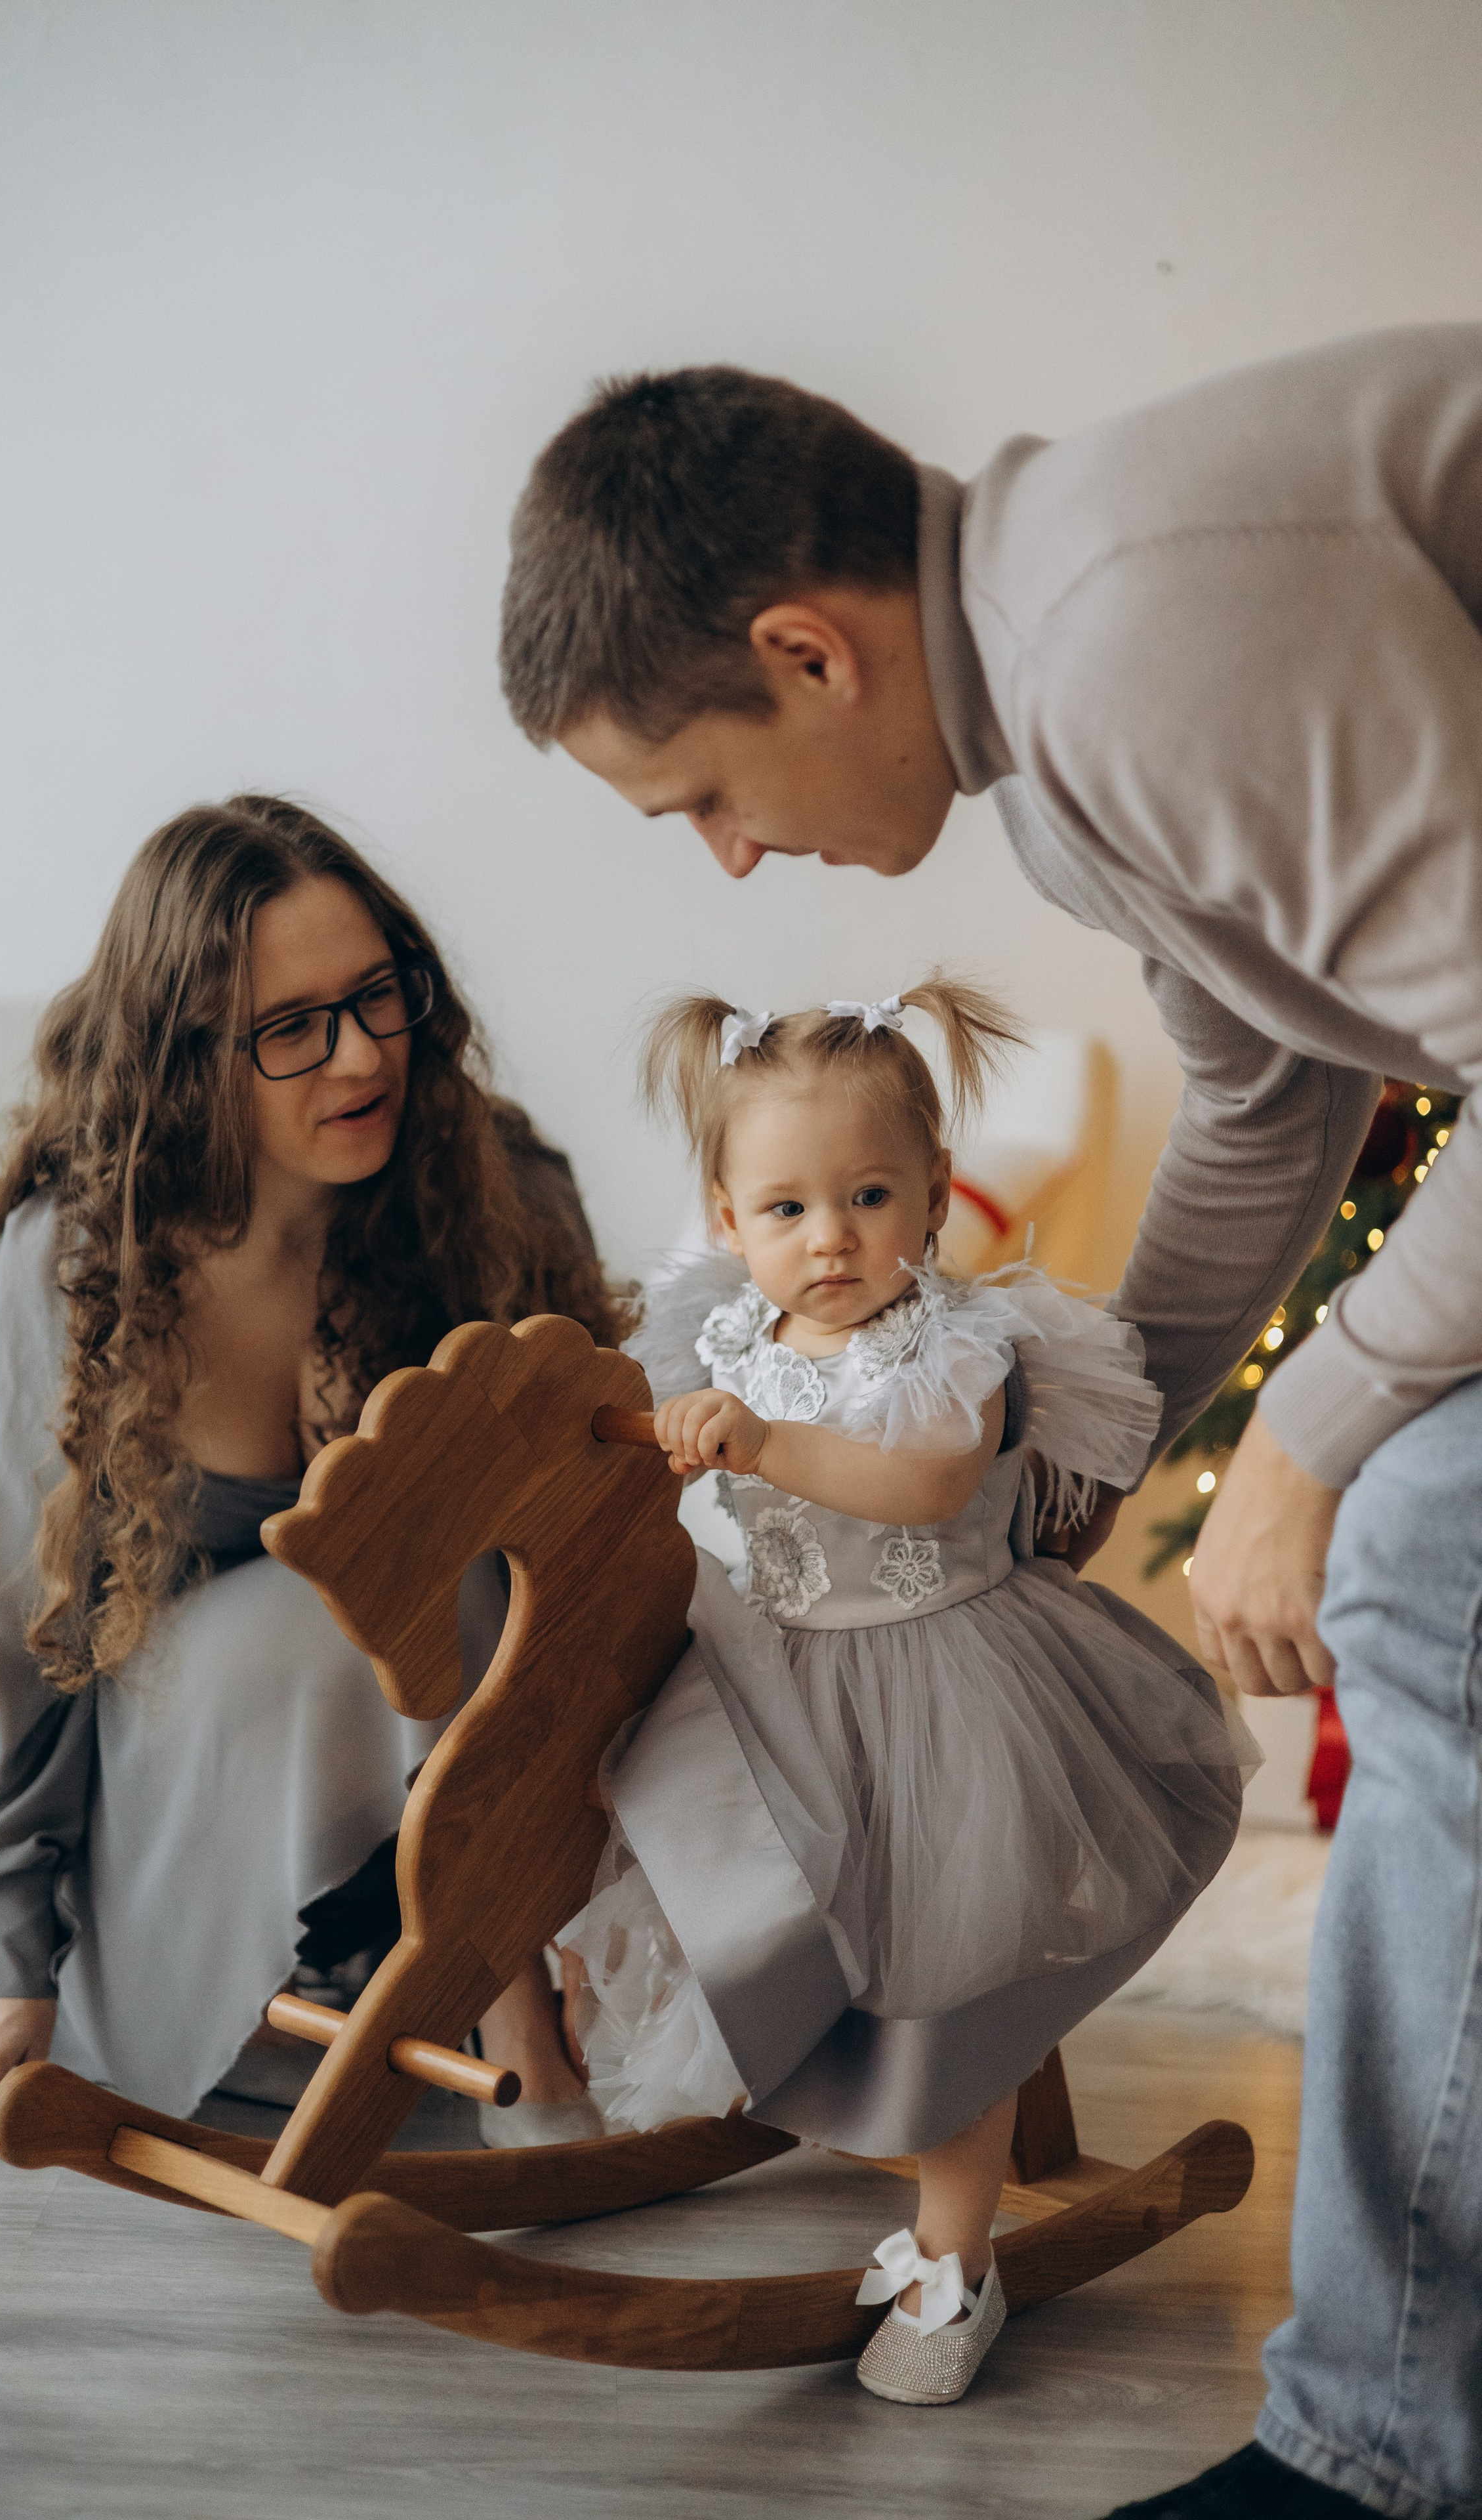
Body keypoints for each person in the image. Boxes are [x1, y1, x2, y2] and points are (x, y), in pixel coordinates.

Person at [498, 337, 1482, 2512]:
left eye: (704, 798)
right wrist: (1083, 1458)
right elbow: (1262, 1108)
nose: (735, 866)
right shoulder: (1058, 744)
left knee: (1427, 1556)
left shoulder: (1137, 636)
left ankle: (1391, 2452)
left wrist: (1312, 1437)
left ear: (802, 652)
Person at [0, 795, 611, 2151]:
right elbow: (12, 1635)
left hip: (474, 1753)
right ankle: (289, 1995)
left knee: (469, 1564)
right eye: (292, 1028)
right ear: (186, 1059)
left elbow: (594, 1528)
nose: (364, 1056)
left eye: (381, 997)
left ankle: (512, 2008)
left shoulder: (492, 1191)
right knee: (327, 1605)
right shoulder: (78, 1258)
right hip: (184, 1763)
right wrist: (4, 1964)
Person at [555, 980, 1250, 2404]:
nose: (830, 1239)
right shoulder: (722, 1335)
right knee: (699, 1856)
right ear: (728, 1215)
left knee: (950, 1982)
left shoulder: (959, 1348)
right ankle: (796, 2087)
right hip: (771, 1667)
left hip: (945, 1678)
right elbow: (646, 1453)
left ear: (933, 1197)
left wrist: (756, 1446)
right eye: (787, 1209)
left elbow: (920, 1484)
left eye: (869, 1196)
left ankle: (955, 2256)